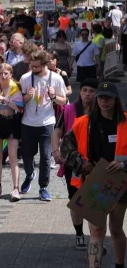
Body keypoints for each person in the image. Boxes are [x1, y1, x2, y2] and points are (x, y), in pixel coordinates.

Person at [60, 82, 127, 268]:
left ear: (116, 99)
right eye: (101, 97)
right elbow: (66, 146)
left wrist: (124, 165)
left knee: (116, 229)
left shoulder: (125, 122)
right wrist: (81, 163)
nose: (104, 101)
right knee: (97, 232)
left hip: (120, 182)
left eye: (108, 97)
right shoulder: (84, 123)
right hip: (96, 181)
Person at [52, 79, 97, 251]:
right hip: (73, 163)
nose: (87, 94)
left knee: (93, 202)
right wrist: (56, 152)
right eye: (84, 90)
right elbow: (57, 132)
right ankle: (79, 234)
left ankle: (96, 238)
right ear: (80, 92)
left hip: (95, 164)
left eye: (91, 90)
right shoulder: (69, 110)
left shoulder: (101, 111)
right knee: (77, 200)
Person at [19, 51, 67, 201]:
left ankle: (43, 188)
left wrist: (54, 96)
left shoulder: (57, 79)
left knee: (46, 157)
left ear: (45, 65)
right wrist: (27, 96)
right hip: (28, 123)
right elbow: (20, 102)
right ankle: (29, 175)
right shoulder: (25, 78)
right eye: (31, 66)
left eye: (36, 66)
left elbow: (64, 101)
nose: (32, 68)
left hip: (47, 122)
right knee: (27, 155)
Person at [0, 64, 24, 201]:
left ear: (10, 74)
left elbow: (20, 108)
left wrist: (5, 99)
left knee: (12, 156)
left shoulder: (15, 87)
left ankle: (15, 188)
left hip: (12, 121)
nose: (3, 76)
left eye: (6, 73)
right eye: (1, 73)